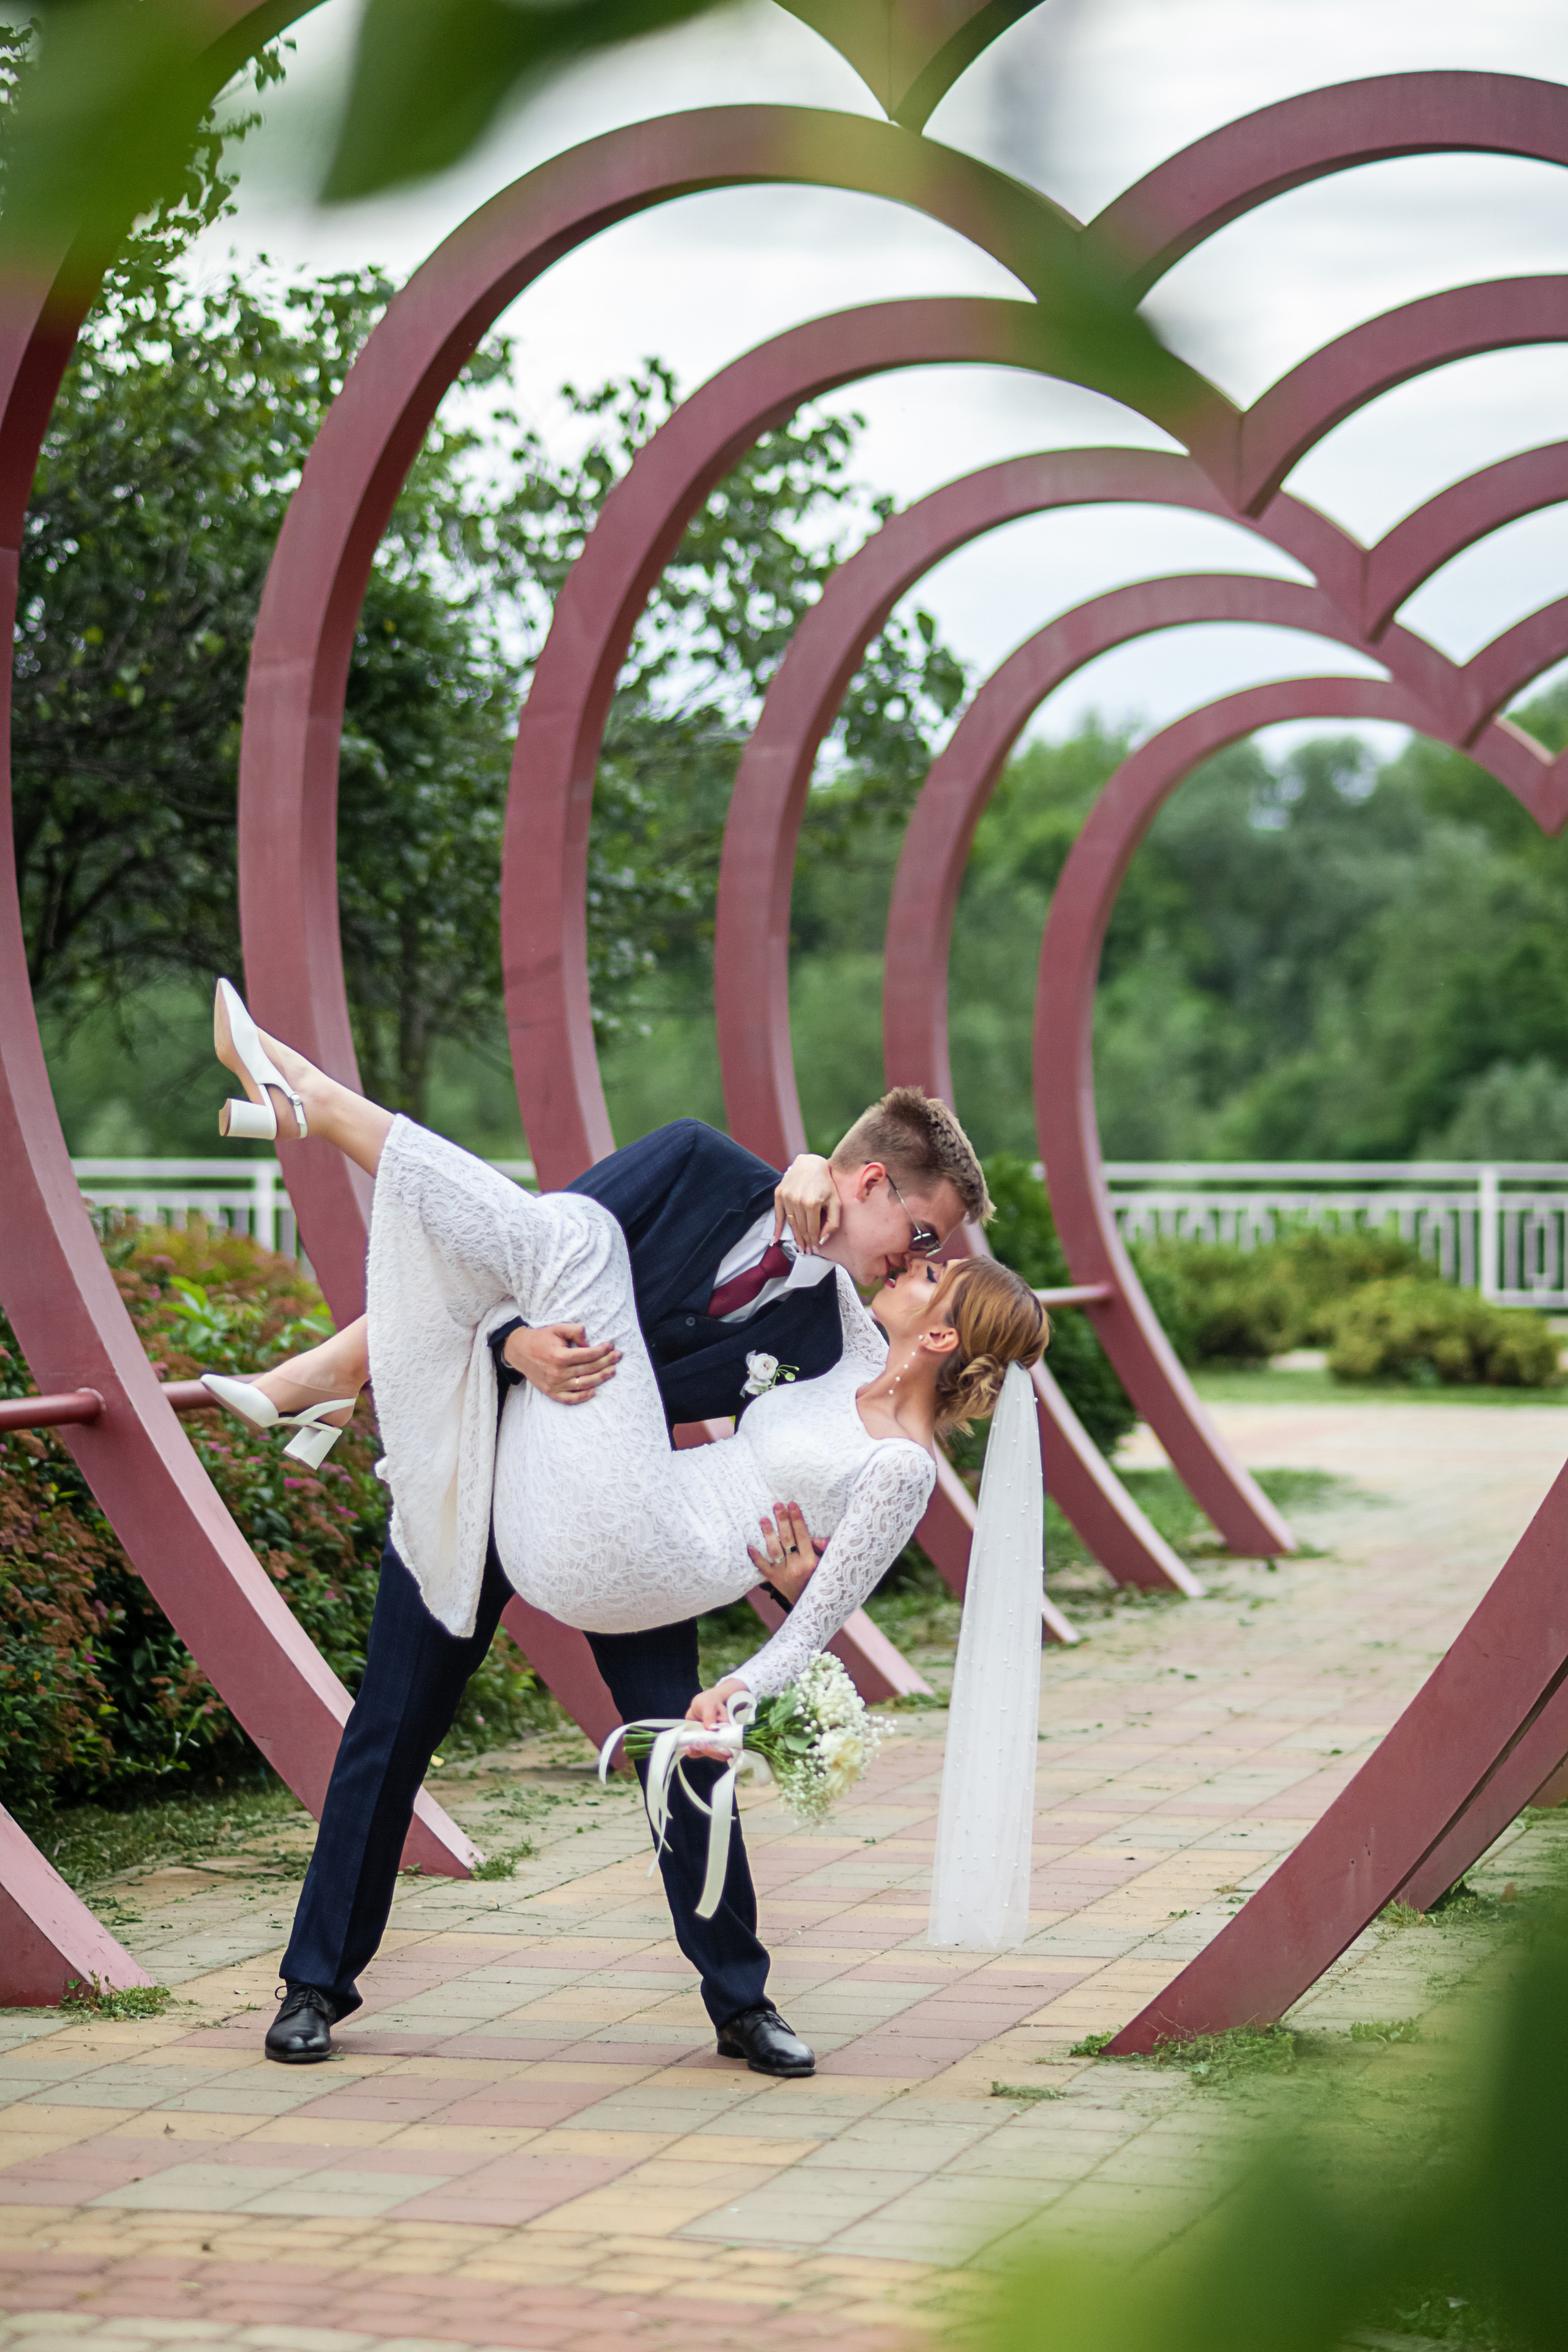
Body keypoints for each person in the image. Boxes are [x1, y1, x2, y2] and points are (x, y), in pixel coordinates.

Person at [204, 982, 1044, 2077]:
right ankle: (312, 1985)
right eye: (920, 1235)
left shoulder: (828, 1324)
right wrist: (517, 1349)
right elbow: (524, 1252)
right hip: (487, 1459)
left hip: (628, 1510)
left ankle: (741, 2003)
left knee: (680, 1759)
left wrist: (795, 1587)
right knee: (391, 1729)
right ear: (873, 1181)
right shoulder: (698, 1163)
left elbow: (843, 1476)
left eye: (930, 1255)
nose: (909, 1260)